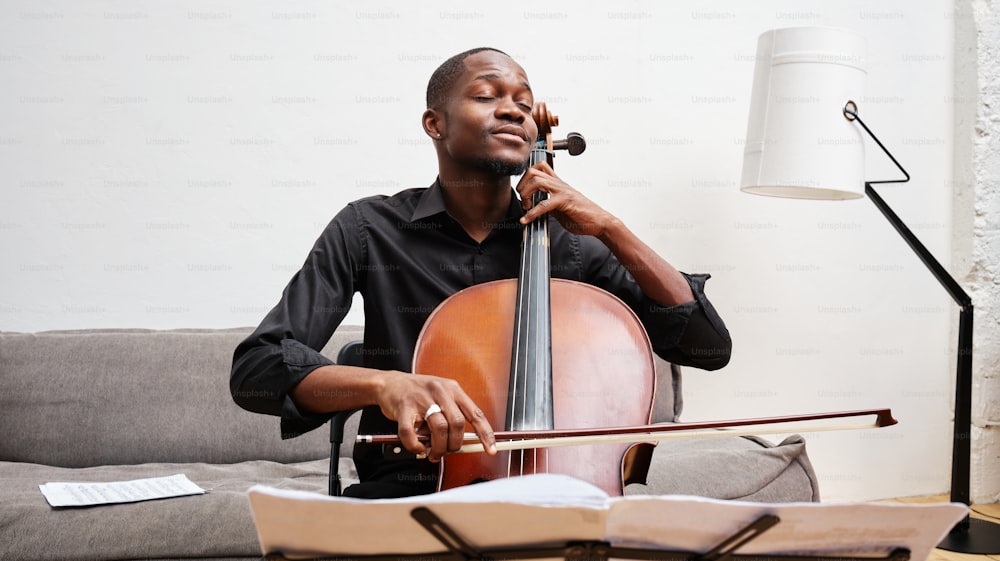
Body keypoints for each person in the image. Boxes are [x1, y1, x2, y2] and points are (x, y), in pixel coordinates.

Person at [230, 47, 731, 498]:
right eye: (488, 95)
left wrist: (611, 228)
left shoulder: (570, 244)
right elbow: (258, 370)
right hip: (409, 495)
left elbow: (706, 344)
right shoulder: (368, 229)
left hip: (571, 492)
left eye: (522, 100)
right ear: (435, 123)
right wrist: (385, 385)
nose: (513, 109)